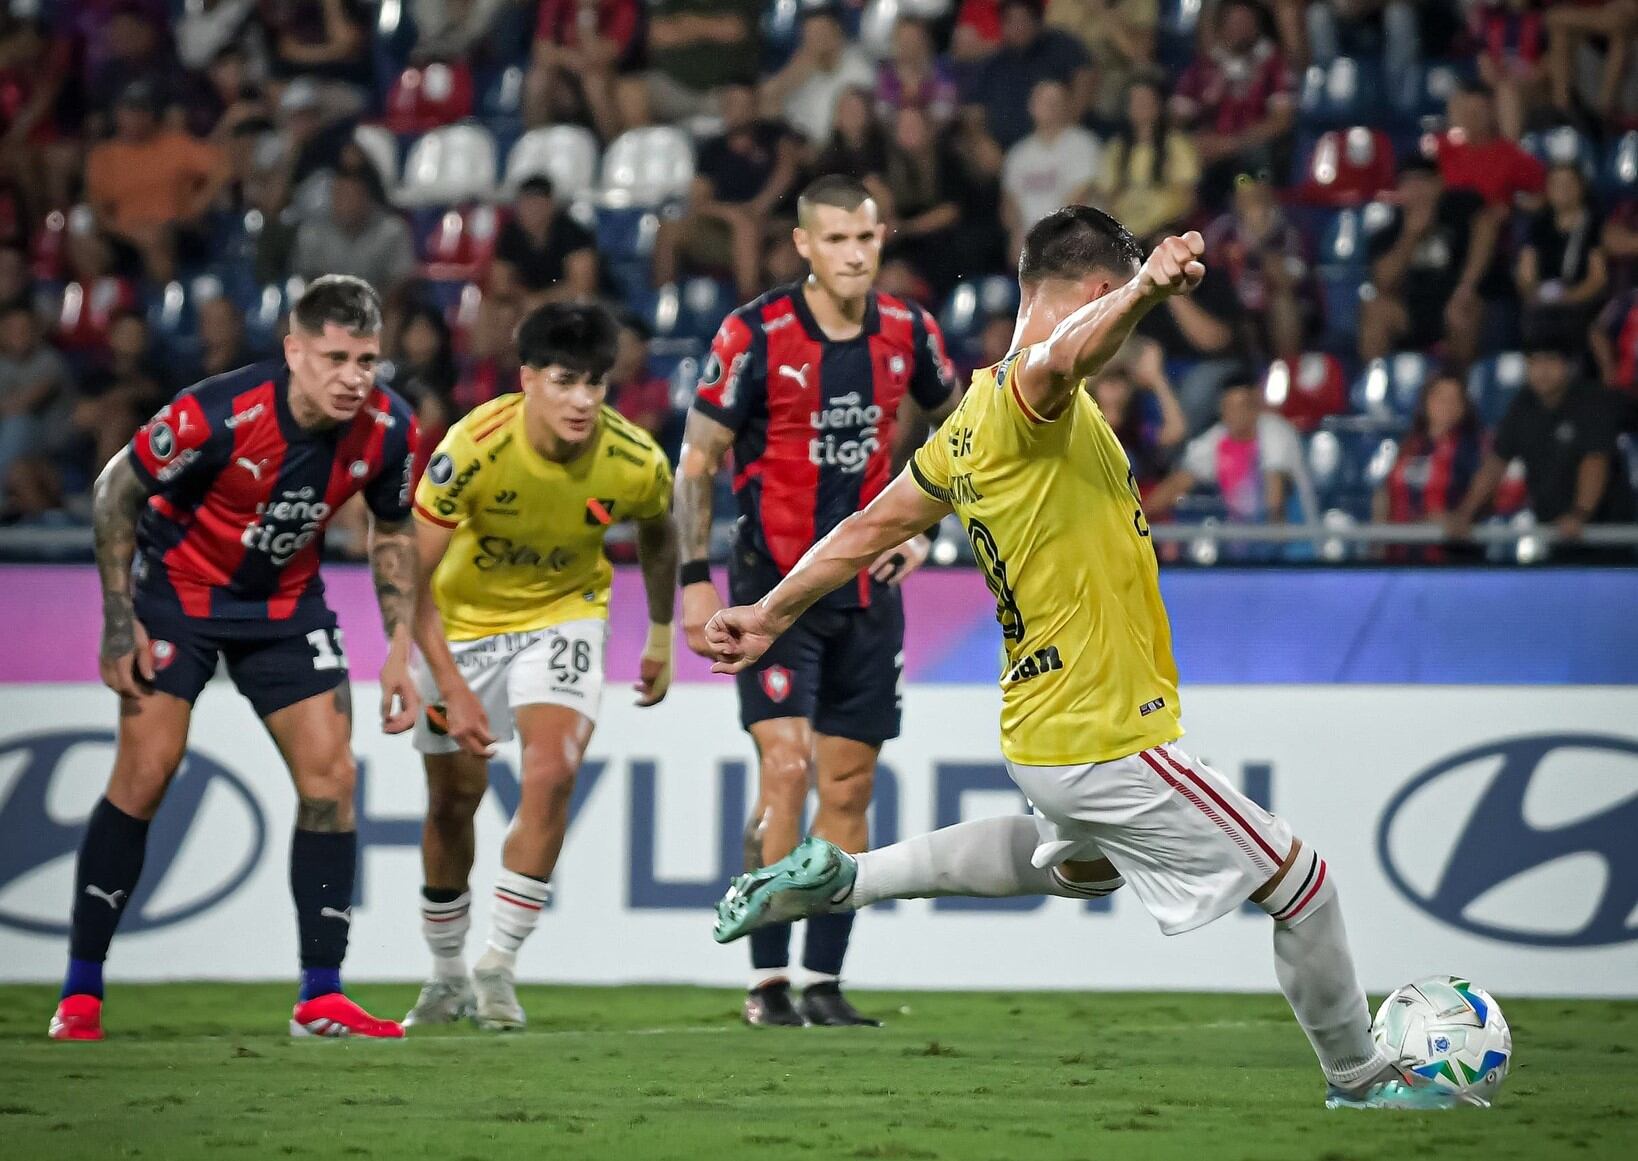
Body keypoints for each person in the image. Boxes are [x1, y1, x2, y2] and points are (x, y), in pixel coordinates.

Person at [703, 206, 1475, 1110]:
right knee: (1301, 884)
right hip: (1107, 730)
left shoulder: (964, 428)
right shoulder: (1033, 393)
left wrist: (767, 609)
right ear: (1097, 295)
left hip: (1044, 731)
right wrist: (1150, 289)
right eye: (1117, 301)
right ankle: (1361, 1078)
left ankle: (849, 876)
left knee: (1071, 864)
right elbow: (1062, 359)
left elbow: (867, 528)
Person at [48, 275, 421, 1042]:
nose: (355, 376)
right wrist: (118, 622)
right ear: (294, 350)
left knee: (333, 778)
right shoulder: (217, 411)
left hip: (286, 609)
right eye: (337, 357)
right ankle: (80, 993)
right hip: (177, 599)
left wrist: (400, 652)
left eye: (368, 359)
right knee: (146, 772)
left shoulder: (389, 428)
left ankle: (321, 994)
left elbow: (391, 531)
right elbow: (116, 487)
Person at [674, 175, 958, 1027]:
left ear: (883, 239)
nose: (854, 256)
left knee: (850, 783)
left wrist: (923, 527)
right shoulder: (753, 334)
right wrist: (694, 583)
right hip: (771, 594)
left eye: (866, 240)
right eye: (836, 240)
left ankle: (823, 979)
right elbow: (695, 464)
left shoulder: (910, 331)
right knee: (787, 768)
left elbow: (960, 432)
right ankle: (766, 979)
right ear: (802, 245)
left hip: (868, 593)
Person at [403, 302, 679, 1031]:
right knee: (451, 801)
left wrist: (658, 632)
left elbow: (659, 530)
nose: (585, 400)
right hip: (458, 627)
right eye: (565, 381)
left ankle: (498, 962)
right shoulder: (471, 448)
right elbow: (409, 579)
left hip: (564, 614)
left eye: (597, 383)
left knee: (552, 772)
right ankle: (444, 970)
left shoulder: (635, 458)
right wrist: (449, 685)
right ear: (527, 379)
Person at [1446, 332, 1637, 561]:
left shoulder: (1591, 401)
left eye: (1551, 361)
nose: (1542, 370)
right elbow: (1495, 464)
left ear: (1568, 366)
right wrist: (1466, 512)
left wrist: (1579, 513)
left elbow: (1595, 462)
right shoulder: (1522, 405)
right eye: (1535, 362)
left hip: (1603, 535)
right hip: (1554, 531)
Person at [653, 84, 801, 299]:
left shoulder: (775, 137)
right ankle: (662, 307)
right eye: (732, 104)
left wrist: (756, 208)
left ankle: (747, 307)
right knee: (669, 229)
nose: (738, 110)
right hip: (725, 225)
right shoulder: (713, 150)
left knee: (747, 228)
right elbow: (699, 198)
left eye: (744, 104)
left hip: (774, 223)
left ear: (755, 107)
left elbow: (785, 174)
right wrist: (733, 214)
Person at [1358, 158, 1498, 366]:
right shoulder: (1390, 229)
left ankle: (1457, 389)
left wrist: (1466, 286)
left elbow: (1487, 226)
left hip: (1457, 298)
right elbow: (1384, 283)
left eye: (1422, 182)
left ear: (1439, 184)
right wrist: (1410, 236)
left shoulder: (1460, 207)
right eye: (1408, 184)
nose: (1416, 191)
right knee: (1375, 311)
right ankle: (1376, 385)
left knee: (1464, 313)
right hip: (1411, 308)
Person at [1145, 374, 1317, 537]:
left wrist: (1272, 547)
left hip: (1293, 543)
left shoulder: (1275, 432)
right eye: (1228, 407)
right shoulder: (1216, 439)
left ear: (1255, 407)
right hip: (1244, 548)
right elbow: (1177, 484)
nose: (1234, 414)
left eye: (1240, 406)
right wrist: (1138, 517)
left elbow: (1275, 498)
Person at [1170, 0, 1295, 210]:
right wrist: (1192, 140)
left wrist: (1231, 143)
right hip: (1208, 153)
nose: (1239, 28)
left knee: (1255, 161)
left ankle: (1254, 221)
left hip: (1249, 152)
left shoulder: (1273, 64)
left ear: (1257, 26)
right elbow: (1177, 116)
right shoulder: (1205, 66)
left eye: (1245, 21)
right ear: (1221, 25)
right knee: (1177, 154)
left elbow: (1282, 120)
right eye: (1233, 21)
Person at [1373, 371, 1487, 563]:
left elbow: (1484, 498)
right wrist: (1378, 537)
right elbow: (1385, 492)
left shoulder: (1472, 450)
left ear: (1464, 407)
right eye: (1440, 397)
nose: (1447, 405)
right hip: (1399, 557)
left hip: (1449, 559)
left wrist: (1456, 517)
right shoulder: (1408, 446)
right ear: (1426, 402)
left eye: (1454, 399)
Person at [967, 0, 1094, 150]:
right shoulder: (993, 63)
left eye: (1023, 20)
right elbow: (974, 111)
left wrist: (1068, 127)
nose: (1018, 27)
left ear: (1037, 21)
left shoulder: (1062, 46)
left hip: (1059, 142)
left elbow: (1086, 79)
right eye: (1010, 21)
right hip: (1001, 151)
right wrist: (982, 143)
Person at [1001, 79, 1101, 263]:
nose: (1050, 108)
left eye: (1055, 102)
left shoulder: (1083, 144)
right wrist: (1017, 234)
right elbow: (1009, 205)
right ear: (1031, 106)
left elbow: (1079, 199)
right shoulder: (1018, 154)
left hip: (1072, 239)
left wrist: (1047, 238)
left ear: (1066, 106)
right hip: (1029, 243)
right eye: (1044, 101)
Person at [1095, 72, 1199, 241]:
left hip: (1164, 229)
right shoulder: (1116, 148)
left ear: (1158, 105)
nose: (1140, 105)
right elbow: (1108, 196)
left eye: (1146, 100)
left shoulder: (1176, 144)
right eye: (1135, 101)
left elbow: (1187, 196)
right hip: (1125, 231)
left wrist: (1165, 225)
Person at [290, 166, 418, 300]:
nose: (342, 203)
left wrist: (371, 309)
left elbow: (401, 279)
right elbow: (302, 277)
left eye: (349, 196)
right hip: (325, 308)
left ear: (366, 199)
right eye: (337, 195)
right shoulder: (312, 231)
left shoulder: (392, 230)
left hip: (377, 308)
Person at [1516, 163, 1608, 343]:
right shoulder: (1539, 225)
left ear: (1581, 187)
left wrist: (1569, 297)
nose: (1563, 190)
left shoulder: (1593, 224)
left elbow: (1598, 277)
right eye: (1556, 184)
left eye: (1569, 184)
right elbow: (1526, 273)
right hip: (1543, 300)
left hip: (1580, 301)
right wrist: (1535, 294)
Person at [760, 6, 877, 147]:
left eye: (822, 32)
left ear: (837, 31)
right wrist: (791, 74)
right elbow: (765, 106)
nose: (817, 41)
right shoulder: (801, 72)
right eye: (811, 35)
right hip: (811, 154)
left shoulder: (858, 65)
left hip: (852, 150)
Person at [489, 177, 602, 307]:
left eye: (537, 204)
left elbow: (582, 286)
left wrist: (541, 300)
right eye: (526, 204)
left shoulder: (574, 233)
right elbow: (500, 284)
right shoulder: (510, 234)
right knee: (494, 309)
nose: (531, 210)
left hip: (566, 304)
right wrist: (526, 299)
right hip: (524, 302)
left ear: (550, 205)